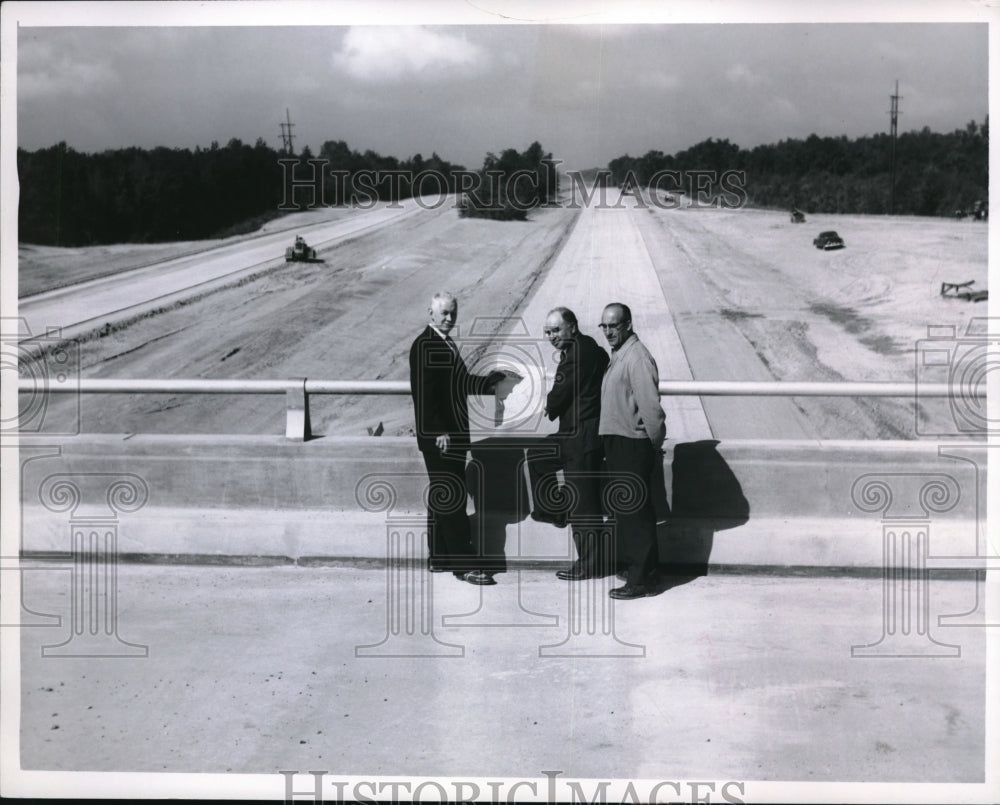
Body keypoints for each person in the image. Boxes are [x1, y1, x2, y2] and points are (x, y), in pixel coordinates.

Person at [409, 292, 504, 585]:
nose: (450, 318)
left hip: (449, 436)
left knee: (443, 496)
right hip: (441, 437)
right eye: (445, 313)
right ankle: (465, 566)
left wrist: (489, 382)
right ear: (431, 313)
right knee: (452, 497)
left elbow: (457, 383)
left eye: (453, 313)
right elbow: (424, 394)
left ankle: (439, 557)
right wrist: (438, 431)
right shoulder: (425, 345)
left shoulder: (442, 342)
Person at [526, 307, 611, 580]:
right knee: (538, 455)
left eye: (556, 330)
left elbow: (561, 392)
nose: (551, 336)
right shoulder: (592, 349)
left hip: (582, 437)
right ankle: (555, 511)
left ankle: (590, 564)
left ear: (572, 327)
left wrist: (546, 404)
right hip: (577, 433)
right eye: (547, 332)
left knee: (584, 504)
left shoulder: (575, 355)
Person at [598, 303, 667, 600]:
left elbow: (652, 410)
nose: (608, 332)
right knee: (628, 511)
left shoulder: (637, 358)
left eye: (613, 326)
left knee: (635, 513)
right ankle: (642, 570)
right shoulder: (621, 354)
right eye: (604, 326)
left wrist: (651, 445)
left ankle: (641, 580)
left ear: (628, 324)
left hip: (633, 443)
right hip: (619, 441)